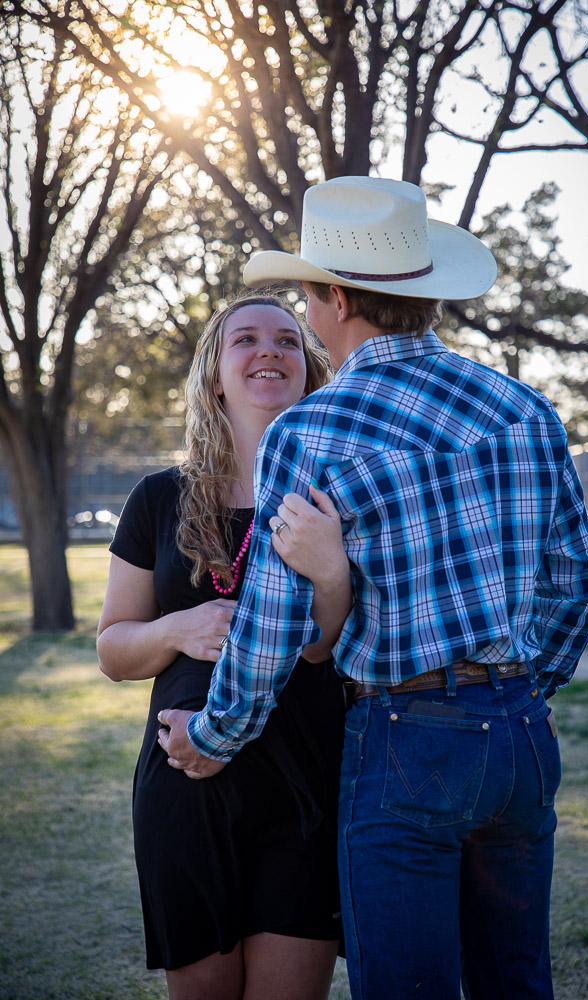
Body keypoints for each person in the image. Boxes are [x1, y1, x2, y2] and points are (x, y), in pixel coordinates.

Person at [159, 176, 588, 1000]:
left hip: (403, 738)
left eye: (306, 295)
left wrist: (214, 735)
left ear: (333, 298)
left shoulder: (315, 427)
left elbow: (270, 623)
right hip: (517, 738)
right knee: (516, 979)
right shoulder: (524, 408)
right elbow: (578, 579)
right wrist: (525, 685)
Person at [97, 293, 353, 1000]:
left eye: (286, 340)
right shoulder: (157, 497)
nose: (268, 350)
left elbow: (323, 650)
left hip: (305, 781)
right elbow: (113, 650)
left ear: (308, 369)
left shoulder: (338, 494)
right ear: (214, 372)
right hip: (186, 786)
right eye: (245, 340)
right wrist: (176, 629)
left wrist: (330, 572)